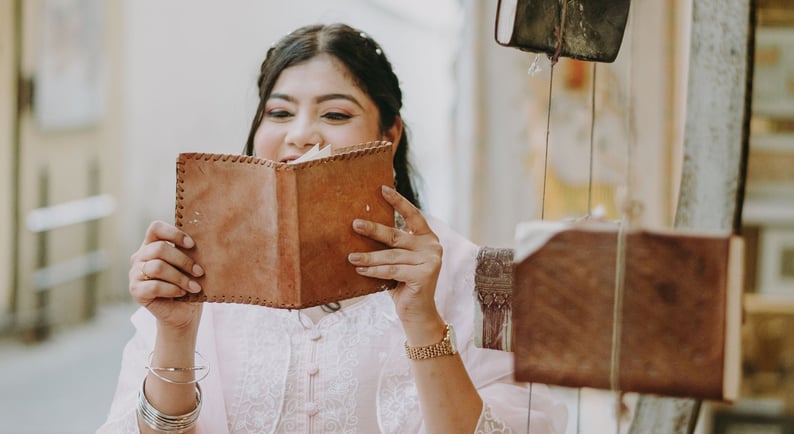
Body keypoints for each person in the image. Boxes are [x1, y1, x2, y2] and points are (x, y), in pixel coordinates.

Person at [99, 23, 567, 434]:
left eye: (336, 114)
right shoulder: (202, 274)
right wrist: (177, 334)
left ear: (389, 135)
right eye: (279, 112)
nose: (300, 134)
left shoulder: (483, 278)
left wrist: (423, 321)